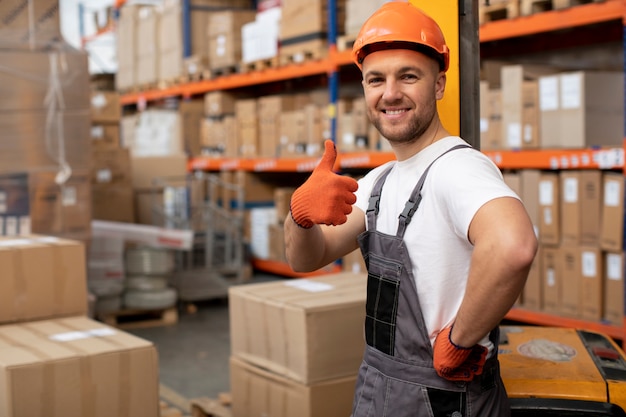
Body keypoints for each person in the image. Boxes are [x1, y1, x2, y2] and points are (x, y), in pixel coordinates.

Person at [284, 2, 538, 416]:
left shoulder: (456, 167)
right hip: (380, 386)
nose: (390, 93)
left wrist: (459, 341)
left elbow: (514, 245)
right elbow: (304, 257)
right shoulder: (380, 183)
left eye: (408, 76)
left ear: (438, 85)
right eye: (375, 80)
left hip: (443, 400)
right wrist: (299, 215)